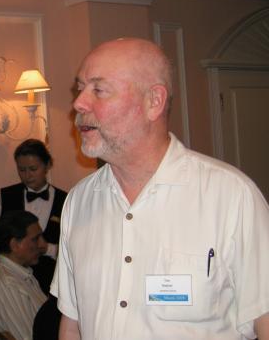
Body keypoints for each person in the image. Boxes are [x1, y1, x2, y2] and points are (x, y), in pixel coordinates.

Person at [51, 38, 269, 339]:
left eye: (98, 90)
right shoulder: (79, 201)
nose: (79, 103)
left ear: (153, 101)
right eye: (80, 88)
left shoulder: (232, 197)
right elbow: (72, 323)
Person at [0, 139, 66, 294]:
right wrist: (10, 244)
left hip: (49, 285)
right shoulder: (2, 197)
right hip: (6, 284)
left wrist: (48, 249)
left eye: (33, 169)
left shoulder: (66, 201)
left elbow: (73, 250)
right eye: (22, 170)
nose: (27, 175)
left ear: (47, 165)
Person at [0, 210, 48, 340]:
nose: (42, 245)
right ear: (15, 245)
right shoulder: (7, 286)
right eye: (35, 239)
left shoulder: (20, 274)